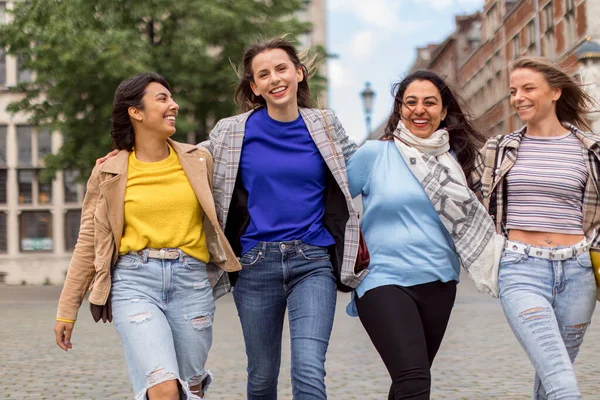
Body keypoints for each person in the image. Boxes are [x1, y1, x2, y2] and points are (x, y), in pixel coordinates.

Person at [54, 72, 241, 400]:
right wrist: (67, 309)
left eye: (172, 98)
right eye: (163, 99)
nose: (174, 105)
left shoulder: (199, 160)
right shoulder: (109, 171)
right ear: (135, 112)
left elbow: (237, 146)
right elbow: (88, 241)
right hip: (134, 283)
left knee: (190, 385)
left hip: (191, 284)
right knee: (164, 388)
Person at [200, 37, 366, 400]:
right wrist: (130, 152)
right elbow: (189, 163)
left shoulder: (324, 124)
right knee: (261, 377)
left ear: (298, 73)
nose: (274, 78)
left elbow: (363, 166)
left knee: (308, 368)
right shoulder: (231, 131)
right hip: (255, 264)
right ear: (255, 87)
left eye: (281, 68)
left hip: (313, 261)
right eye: (263, 74)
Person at [346, 70, 489, 400]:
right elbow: (332, 201)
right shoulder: (374, 155)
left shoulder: (456, 160)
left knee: (408, 381)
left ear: (443, 110)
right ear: (400, 109)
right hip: (382, 279)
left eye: (429, 102)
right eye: (411, 102)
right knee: (414, 381)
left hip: (439, 280)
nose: (419, 109)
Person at [472, 56, 599, 399]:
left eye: (529, 88)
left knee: (552, 375)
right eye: (513, 91)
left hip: (578, 272)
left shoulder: (590, 150)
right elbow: (465, 197)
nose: (518, 97)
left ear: (556, 92)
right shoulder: (498, 150)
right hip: (521, 269)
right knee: (562, 381)